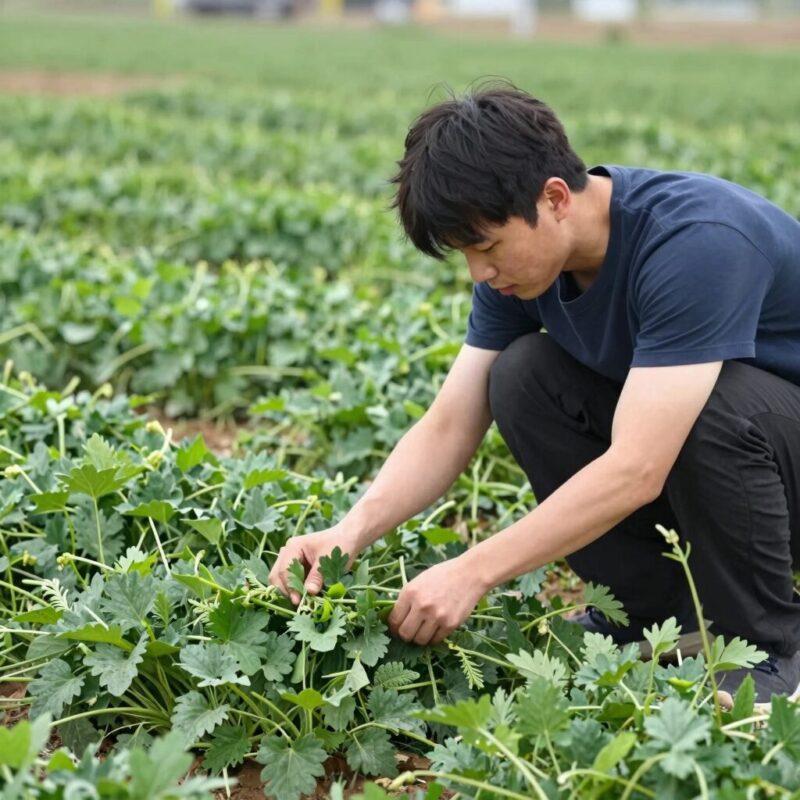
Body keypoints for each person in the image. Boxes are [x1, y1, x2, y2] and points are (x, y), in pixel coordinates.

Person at [270, 83, 800, 703]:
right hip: (743, 478)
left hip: (771, 463)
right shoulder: (524, 274)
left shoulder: (695, 242)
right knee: (521, 375)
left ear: (553, 198)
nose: (479, 272)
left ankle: (772, 648)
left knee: (710, 403)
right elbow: (450, 423)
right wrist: (349, 532)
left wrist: (474, 571)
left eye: (487, 246)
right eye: (466, 253)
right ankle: (652, 616)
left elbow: (637, 469)